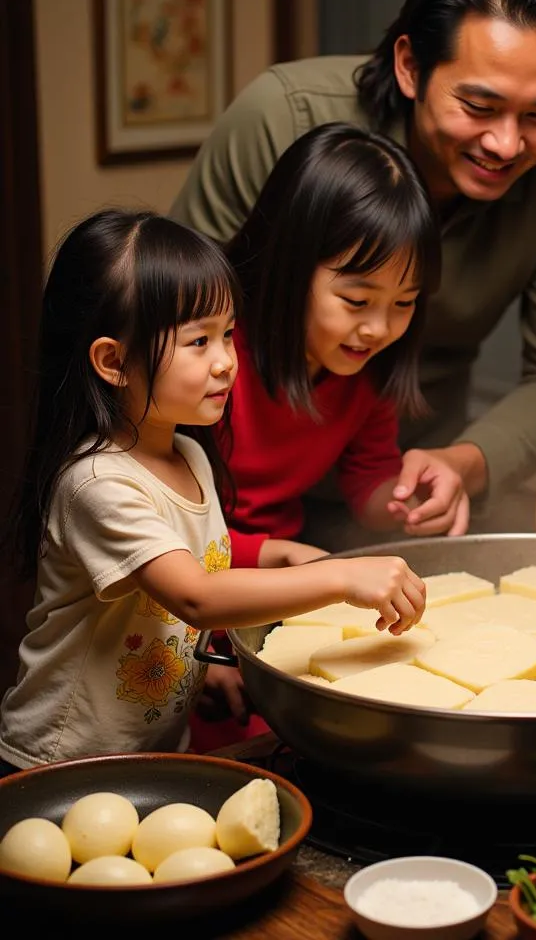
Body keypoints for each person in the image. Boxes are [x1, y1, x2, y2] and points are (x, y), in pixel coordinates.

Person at [170, 0, 536, 540]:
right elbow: (169, 329)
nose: (508, 144)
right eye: (480, 107)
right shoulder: (283, 119)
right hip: (215, 499)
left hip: (402, 479)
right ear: (410, 65)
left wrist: (463, 464)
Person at [0, 211, 425, 771]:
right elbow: (195, 595)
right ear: (113, 361)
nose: (226, 361)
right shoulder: (97, 482)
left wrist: (278, 553)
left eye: (227, 334)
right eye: (198, 341)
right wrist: (340, 578)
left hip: (151, 752)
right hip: (61, 760)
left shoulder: (190, 454)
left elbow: (202, 553)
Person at [219, 121, 466, 574]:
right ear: (290, 264)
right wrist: (274, 555)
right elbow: (157, 529)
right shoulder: (211, 354)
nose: (378, 328)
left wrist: (407, 498)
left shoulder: (363, 368)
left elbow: (369, 477)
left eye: (404, 302)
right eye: (357, 300)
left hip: (283, 574)